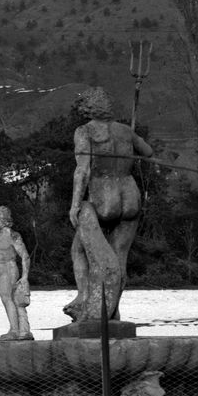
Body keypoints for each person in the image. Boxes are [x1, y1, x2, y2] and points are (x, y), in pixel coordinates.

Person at [64, 87, 153, 331]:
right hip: (130, 195)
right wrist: (131, 139)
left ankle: (86, 300)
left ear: (87, 109)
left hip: (103, 196)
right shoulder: (125, 131)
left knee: (80, 251)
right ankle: (112, 311)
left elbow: (82, 169)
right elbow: (148, 152)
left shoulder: (85, 131)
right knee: (118, 258)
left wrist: (75, 204)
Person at [0, 205, 33, 342]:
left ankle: (15, 331)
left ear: (4, 219)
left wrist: (25, 276)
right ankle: (17, 329)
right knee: (6, 300)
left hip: (9, 270)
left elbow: (25, 256)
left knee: (8, 299)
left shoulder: (13, 236)